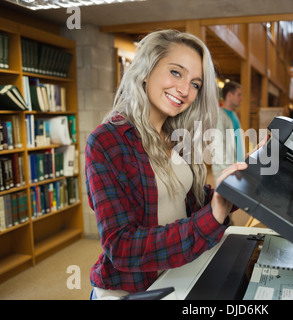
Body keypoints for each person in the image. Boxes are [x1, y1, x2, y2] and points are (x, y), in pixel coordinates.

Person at [85, 29, 247, 299]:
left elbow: (184, 202)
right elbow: (121, 247)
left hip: (176, 275)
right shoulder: (106, 142)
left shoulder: (177, 135)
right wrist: (212, 215)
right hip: (131, 290)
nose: (185, 90)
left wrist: (235, 187)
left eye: (195, 83)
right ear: (146, 71)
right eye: (176, 72)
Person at [211, 81, 245, 181]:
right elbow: (218, 147)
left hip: (236, 168)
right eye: (239, 94)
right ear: (229, 95)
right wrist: (230, 169)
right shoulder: (219, 116)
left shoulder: (234, 115)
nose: (241, 98)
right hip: (225, 170)